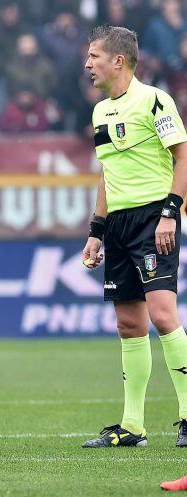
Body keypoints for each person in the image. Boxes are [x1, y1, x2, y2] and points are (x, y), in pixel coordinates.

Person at [81, 25, 187, 449]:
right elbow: (108, 174)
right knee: (128, 324)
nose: (88, 65)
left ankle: (186, 416)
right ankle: (133, 427)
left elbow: (182, 156)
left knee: (163, 315)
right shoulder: (100, 112)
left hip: (153, 219)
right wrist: (96, 231)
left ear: (118, 61)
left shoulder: (155, 99)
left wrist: (170, 212)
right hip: (120, 226)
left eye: (94, 57)